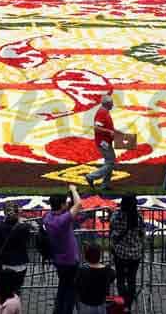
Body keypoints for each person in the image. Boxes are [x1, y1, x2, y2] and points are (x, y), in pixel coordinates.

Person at [43, 185, 82, 314]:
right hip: (70, 261)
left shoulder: (48, 218)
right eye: (65, 203)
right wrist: (74, 190)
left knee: (63, 287)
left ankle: (58, 310)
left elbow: (70, 208)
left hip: (58, 260)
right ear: (61, 206)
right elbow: (79, 204)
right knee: (71, 290)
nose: (67, 204)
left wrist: (68, 202)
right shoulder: (63, 220)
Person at [109, 194, 143, 313]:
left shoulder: (117, 216)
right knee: (131, 279)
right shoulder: (138, 217)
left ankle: (123, 304)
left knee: (120, 279)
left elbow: (111, 226)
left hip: (120, 253)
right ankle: (128, 304)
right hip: (135, 253)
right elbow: (142, 233)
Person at [85, 95, 121, 191]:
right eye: (111, 103)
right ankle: (91, 176)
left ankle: (105, 185)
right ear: (107, 104)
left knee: (109, 162)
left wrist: (115, 131)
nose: (113, 105)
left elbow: (105, 127)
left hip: (105, 141)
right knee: (110, 163)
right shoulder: (102, 113)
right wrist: (109, 132)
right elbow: (96, 128)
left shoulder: (105, 112)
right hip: (103, 142)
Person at [0, 203, 29, 288]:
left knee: (4, 288)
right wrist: (19, 218)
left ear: (4, 212)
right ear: (17, 212)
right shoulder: (24, 226)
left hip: (4, 262)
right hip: (20, 262)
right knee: (17, 288)